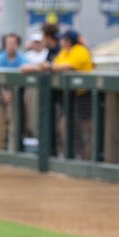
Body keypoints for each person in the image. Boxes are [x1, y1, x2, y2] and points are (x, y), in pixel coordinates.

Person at [48, 29, 95, 159]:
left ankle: (90, 156)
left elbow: (66, 66)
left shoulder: (81, 50)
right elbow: (56, 64)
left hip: (85, 93)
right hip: (71, 95)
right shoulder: (64, 51)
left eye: (63, 39)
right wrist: (50, 66)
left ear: (69, 41)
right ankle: (70, 154)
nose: (61, 42)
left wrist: (48, 66)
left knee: (88, 127)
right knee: (65, 125)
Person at [0, 33, 27, 149]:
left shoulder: (23, 59)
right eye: (9, 43)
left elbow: (23, 81)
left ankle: (14, 147)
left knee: (15, 120)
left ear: (18, 45)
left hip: (17, 94)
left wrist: (12, 94)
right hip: (0, 93)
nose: (11, 46)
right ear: (5, 45)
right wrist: (4, 93)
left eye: (14, 43)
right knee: (0, 121)